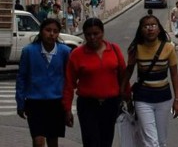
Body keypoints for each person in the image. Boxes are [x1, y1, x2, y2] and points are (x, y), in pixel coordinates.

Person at [63, 18, 127, 147]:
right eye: (88, 34)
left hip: (111, 104)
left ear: (102, 33)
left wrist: (128, 97)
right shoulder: (77, 54)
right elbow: (69, 83)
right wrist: (67, 109)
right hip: (88, 106)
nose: (92, 37)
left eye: (96, 33)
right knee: (91, 142)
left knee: (106, 141)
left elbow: (123, 76)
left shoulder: (114, 49)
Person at [121, 12, 178, 146]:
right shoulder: (135, 49)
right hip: (143, 99)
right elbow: (129, 70)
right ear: (141, 30)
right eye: (146, 26)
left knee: (161, 140)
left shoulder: (168, 48)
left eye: (153, 25)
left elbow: (174, 75)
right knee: (151, 141)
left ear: (159, 28)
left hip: (163, 98)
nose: (150, 28)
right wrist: (122, 90)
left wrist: (177, 100)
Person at [16, 18, 71, 147]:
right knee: (38, 140)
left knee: (53, 140)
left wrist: (67, 108)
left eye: (55, 31)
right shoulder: (29, 51)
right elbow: (21, 78)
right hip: (35, 102)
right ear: (41, 32)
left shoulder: (65, 52)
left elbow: (69, 80)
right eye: (48, 30)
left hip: (56, 102)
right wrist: (20, 102)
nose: (51, 34)